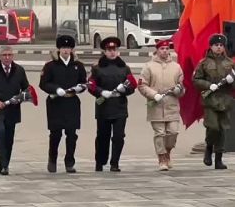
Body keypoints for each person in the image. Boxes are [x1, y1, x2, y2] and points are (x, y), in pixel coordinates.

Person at [88, 36, 137, 172]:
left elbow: (132, 85)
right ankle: (100, 161)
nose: (112, 52)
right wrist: (101, 92)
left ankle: (114, 163)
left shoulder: (124, 68)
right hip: (103, 107)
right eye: (109, 50)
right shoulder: (97, 68)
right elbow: (91, 85)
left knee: (118, 137)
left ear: (117, 51)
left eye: (114, 49)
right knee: (102, 136)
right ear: (105, 51)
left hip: (119, 106)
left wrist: (125, 90)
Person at [39, 35, 87, 173]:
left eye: (68, 48)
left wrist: (80, 88)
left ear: (72, 49)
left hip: (72, 102)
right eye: (63, 48)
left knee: (71, 134)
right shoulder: (50, 66)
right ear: (59, 49)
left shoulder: (78, 65)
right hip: (56, 103)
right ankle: (52, 159)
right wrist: (56, 89)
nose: (66, 50)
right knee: (56, 134)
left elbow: (84, 82)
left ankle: (69, 162)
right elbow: (43, 83)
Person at [0, 45, 29, 175]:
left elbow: (26, 88)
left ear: (13, 56)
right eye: (4, 55)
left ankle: (5, 163)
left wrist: (19, 98)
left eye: (9, 55)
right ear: (0, 56)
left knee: (9, 137)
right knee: (0, 131)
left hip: (12, 109)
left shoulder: (19, 70)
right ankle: (3, 164)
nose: (7, 57)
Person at [138, 39, 185, 171]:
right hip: (156, 105)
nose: (164, 51)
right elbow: (142, 85)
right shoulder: (149, 66)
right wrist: (153, 95)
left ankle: (167, 151)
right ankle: (162, 158)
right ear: (157, 50)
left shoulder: (176, 67)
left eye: (167, 49)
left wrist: (179, 90)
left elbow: (182, 86)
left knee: (173, 132)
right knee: (160, 133)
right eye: (162, 49)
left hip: (172, 105)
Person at [193, 33, 235, 170]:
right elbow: (196, 80)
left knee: (222, 129)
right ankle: (209, 148)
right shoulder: (204, 63)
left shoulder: (230, 63)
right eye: (216, 45)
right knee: (213, 127)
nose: (219, 47)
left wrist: (231, 81)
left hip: (225, 100)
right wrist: (208, 85)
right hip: (210, 100)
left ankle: (218, 159)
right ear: (211, 46)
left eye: (221, 45)